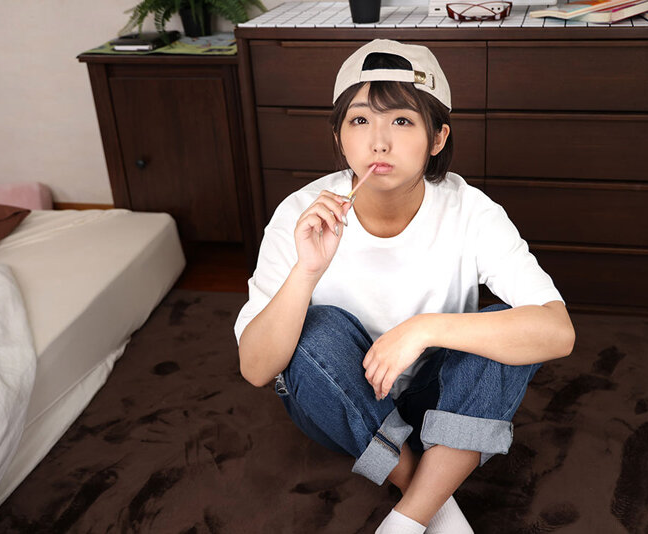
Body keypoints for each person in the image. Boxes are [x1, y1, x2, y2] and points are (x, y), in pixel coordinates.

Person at [234, 39, 575, 534]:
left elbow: (558, 332)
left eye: (401, 120)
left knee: (502, 328)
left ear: (437, 137)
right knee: (315, 328)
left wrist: (424, 329)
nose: (379, 143)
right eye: (359, 120)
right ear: (339, 137)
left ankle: (406, 520)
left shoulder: (471, 211)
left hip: (439, 402)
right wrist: (306, 272)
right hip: (342, 407)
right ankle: (432, 501)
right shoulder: (300, 212)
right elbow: (256, 368)